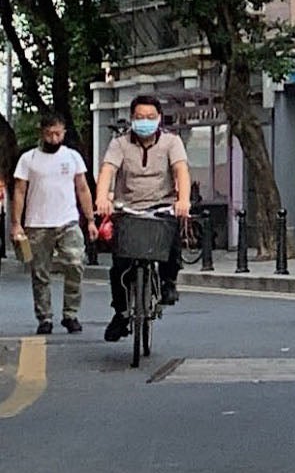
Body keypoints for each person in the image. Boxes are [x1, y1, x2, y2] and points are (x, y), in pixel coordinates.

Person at [96, 94, 192, 341]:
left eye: (150, 117)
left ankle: (169, 282)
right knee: (119, 266)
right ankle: (121, 313)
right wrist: (102, 198)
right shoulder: (119, 144)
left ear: (159, 118)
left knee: (171, 243)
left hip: (161, 206)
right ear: (132, 118)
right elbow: (108, 170)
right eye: (140, 117)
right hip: (127, 209)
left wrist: (183, 200)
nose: (145, 121)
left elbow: (181, 170)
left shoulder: (172, 142)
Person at [9, 113, 96, 335]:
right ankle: (44, 317)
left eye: (58, 133)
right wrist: (16, 224)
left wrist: (91, 220)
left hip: (68, 221)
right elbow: (19, 192)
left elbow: (83, 188)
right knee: (40, 273)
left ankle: (71, 314)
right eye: (49, 134)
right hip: (37, 224)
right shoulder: (28, 159)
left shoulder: (73, 157)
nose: (54, 138)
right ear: (42, 133)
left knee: (75, 263)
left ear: (64, 133)